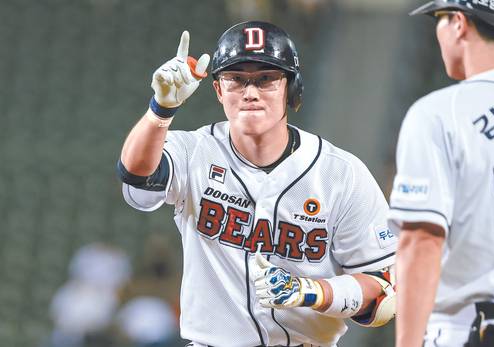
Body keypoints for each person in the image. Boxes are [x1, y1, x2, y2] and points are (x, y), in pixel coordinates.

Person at [117, 21, 396, 347]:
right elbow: (136, 174)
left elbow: (383, 293)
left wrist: (313, 291)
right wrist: (160, 110)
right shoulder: (194, 152)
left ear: (291, 88)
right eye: (236, 79)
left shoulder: (341, 174)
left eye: (266, 79)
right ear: (219, 89)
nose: (250, 92)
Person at [388, 1, 494, 346]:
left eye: (439, 19)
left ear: (459, 23)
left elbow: (421, 243)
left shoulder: (437, 113)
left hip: (469, 330)